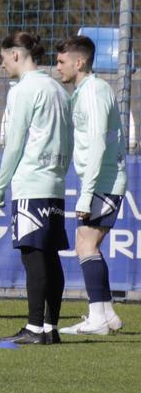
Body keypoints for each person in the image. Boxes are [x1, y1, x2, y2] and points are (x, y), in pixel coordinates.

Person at [0, 31, 74, 348]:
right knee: (50, 256)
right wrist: (60, 172)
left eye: (3, 58)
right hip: (54, 182)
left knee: (33, 257)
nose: (1, 65)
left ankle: (34, 327)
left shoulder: (23, 90)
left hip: (30, 182)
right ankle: (50, 327)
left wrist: (0, 186)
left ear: (16, 54)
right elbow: (69, 138)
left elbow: (14, 144)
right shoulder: (58, 89)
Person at [54, 34, 126, 336]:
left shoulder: (95, 92)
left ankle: (97, 318)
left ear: (79, 62)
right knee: (88, 242)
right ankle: (107, 314)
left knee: (85, 243)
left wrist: (86, 196)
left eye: (61, 62)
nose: (57, 67)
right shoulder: (83, 92)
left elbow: (97, 144)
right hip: (99, 180)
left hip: (105, 180)